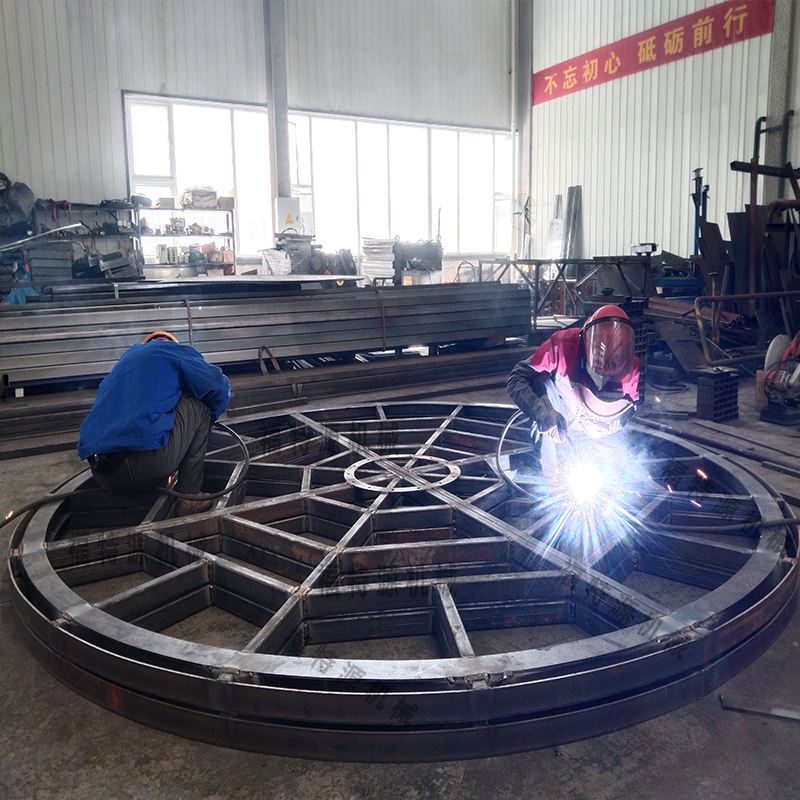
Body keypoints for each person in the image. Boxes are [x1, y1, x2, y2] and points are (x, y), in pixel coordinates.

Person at [77, 331, 231, 515]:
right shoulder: (173, 350)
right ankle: (190, 498)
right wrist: (209, 420)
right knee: (199, 408)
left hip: (104, 476)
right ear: (171, 343)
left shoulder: (122, 366)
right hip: (146, 468)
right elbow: (218, 386)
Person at [507, 305, 640, 469]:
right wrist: (542, 413)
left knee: (616, 463)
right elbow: (517, 377)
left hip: (595, 426)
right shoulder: (562, 346)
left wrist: (608, 428)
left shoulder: (630, 367)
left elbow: (630, 409)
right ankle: (545, 470)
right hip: (560, 416)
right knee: (540, 381)